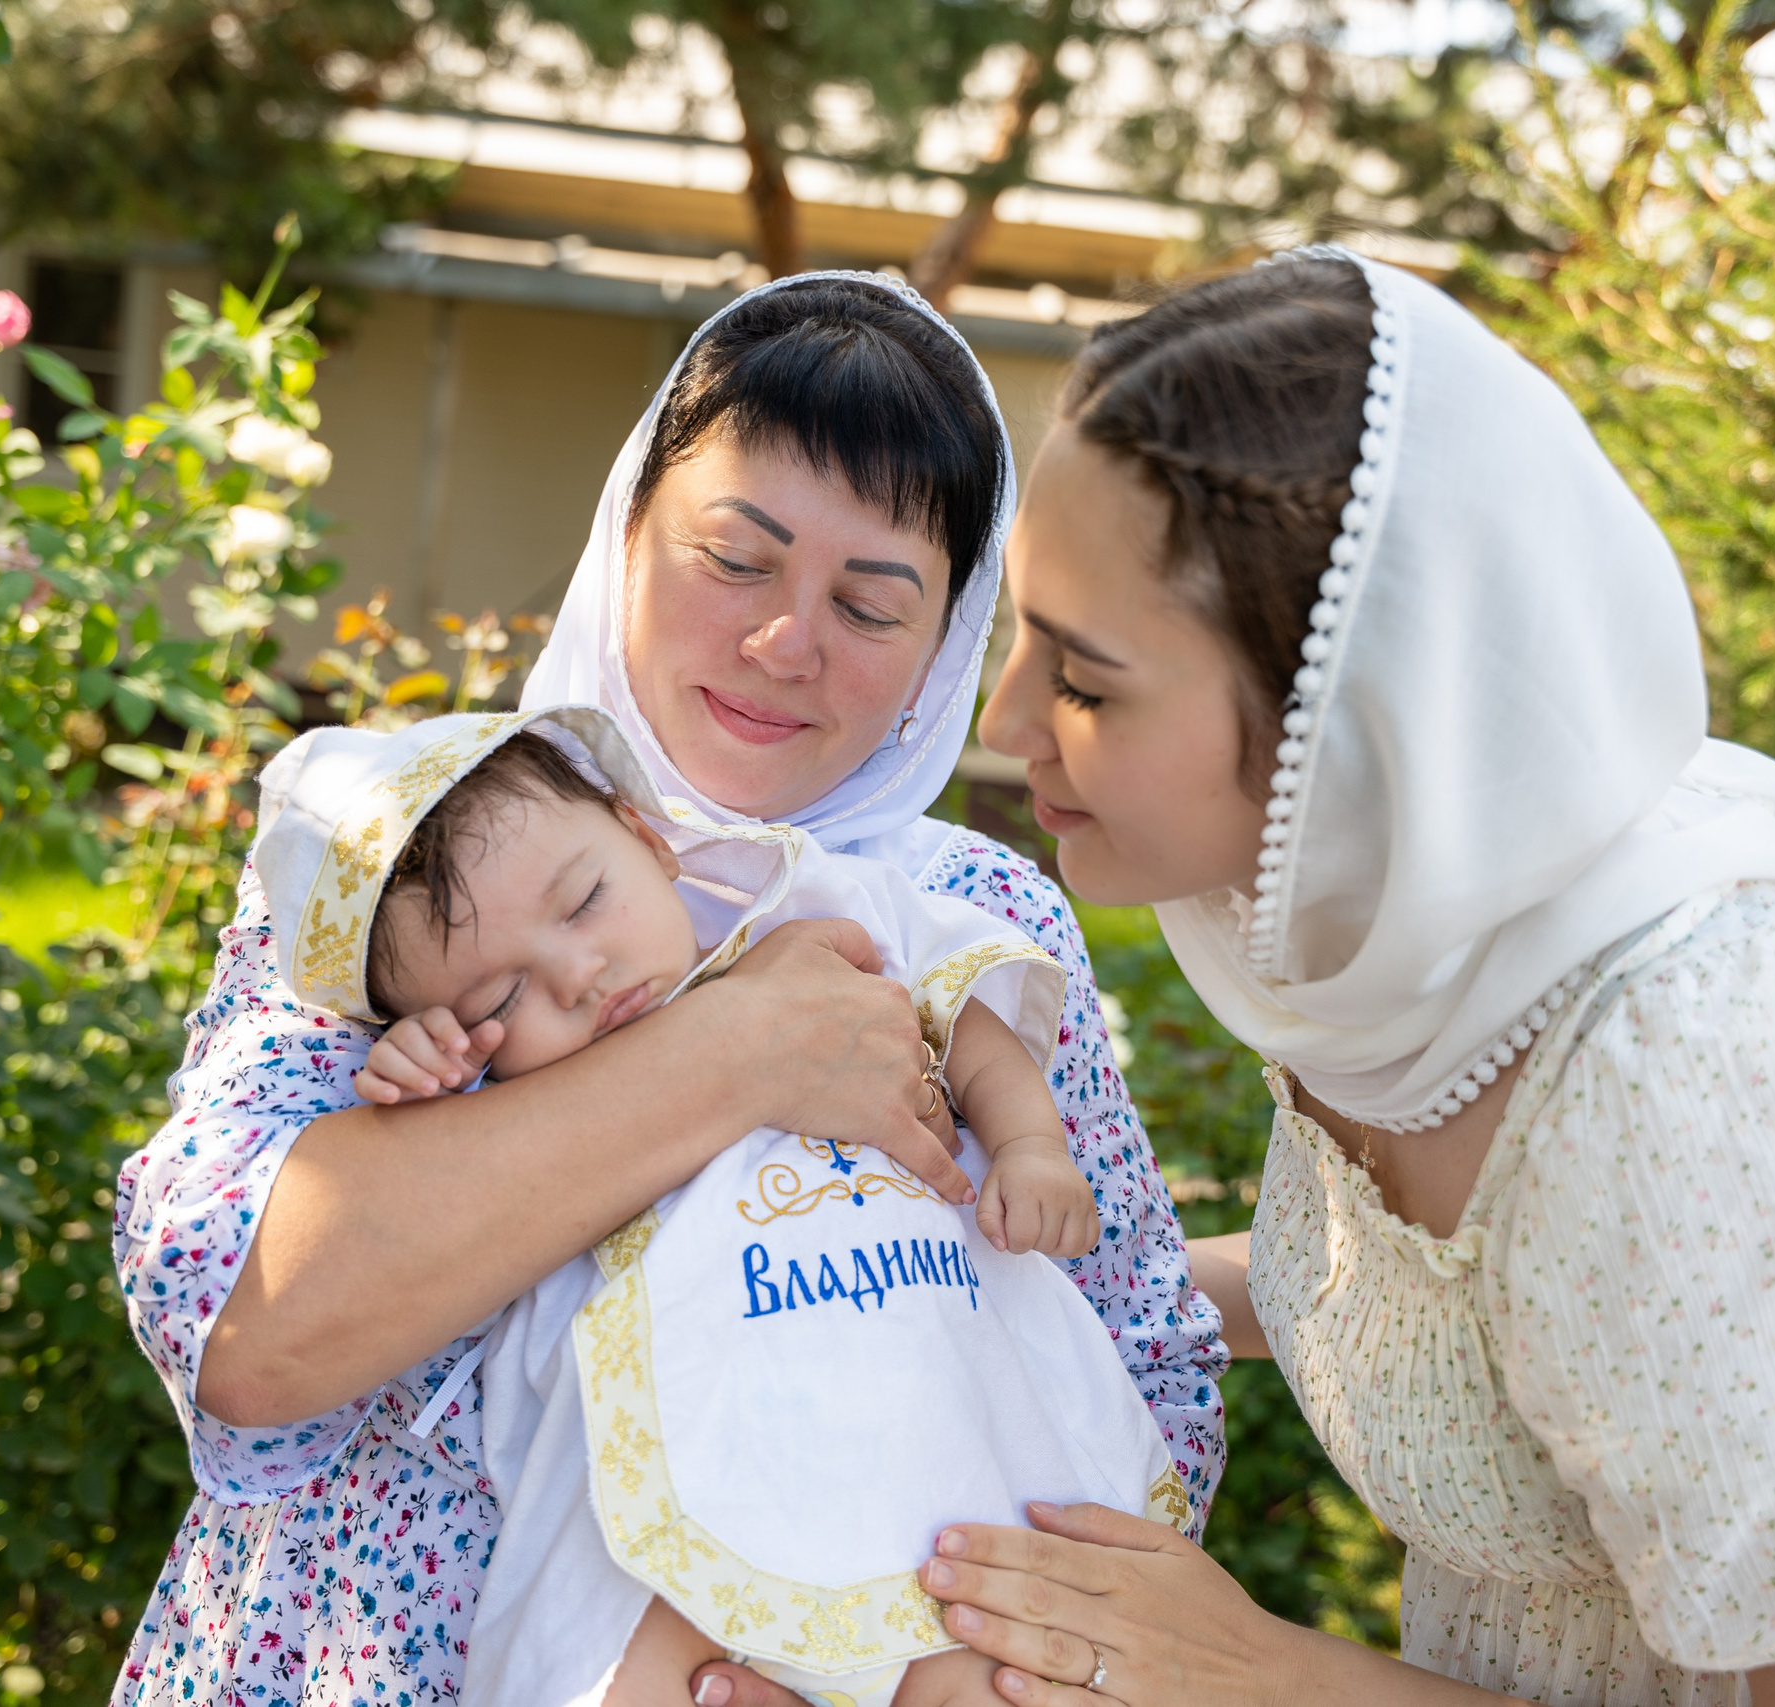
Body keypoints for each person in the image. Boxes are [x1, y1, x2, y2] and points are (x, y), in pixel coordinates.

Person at [690, 250, 1775, 1707]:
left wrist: (1258, 1672)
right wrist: (934, 1287)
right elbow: (1480, 1312)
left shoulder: (1713, 1077)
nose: (1003, 722)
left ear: (1347, 721)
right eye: (1018, 637)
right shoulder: (1374, 940)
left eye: (1085, 681)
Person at [107, 274, 1225, 1707]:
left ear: (945, 645)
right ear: (627, 531)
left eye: (870, 604)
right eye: (734, 559)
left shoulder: (976, 913)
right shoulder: (414, 852)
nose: (786, 644)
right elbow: (245, 1317)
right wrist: (740, 1049)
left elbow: (1141, 1356)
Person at [255, 707, 1179, 1705]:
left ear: (647, 838)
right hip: (676, 1441)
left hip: (917, 1397)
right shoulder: (517, 1095)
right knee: (626, 1660)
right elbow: (436, 1204)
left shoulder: (803, 909)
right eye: (498, 1001)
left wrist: (1031, 1145)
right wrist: (429, 1082)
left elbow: (967, 1018)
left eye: (585, 902)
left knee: (980, 1640)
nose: (578, 976)